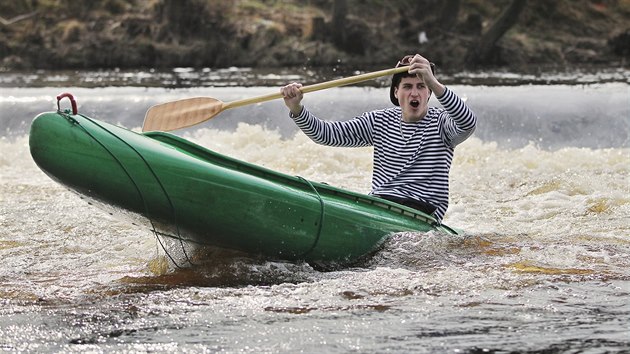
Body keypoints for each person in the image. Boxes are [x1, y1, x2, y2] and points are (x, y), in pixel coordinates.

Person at [280, 54, 477, 223]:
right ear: (396, 92)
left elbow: (468, 123)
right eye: (407, 86)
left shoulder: (443, 124)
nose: (414, 93)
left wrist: (432, 80)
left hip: (422, 212)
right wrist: (296, 109)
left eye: (421, 86)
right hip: (380, 205)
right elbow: (326, 135)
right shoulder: (379, 120)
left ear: (429, 92)